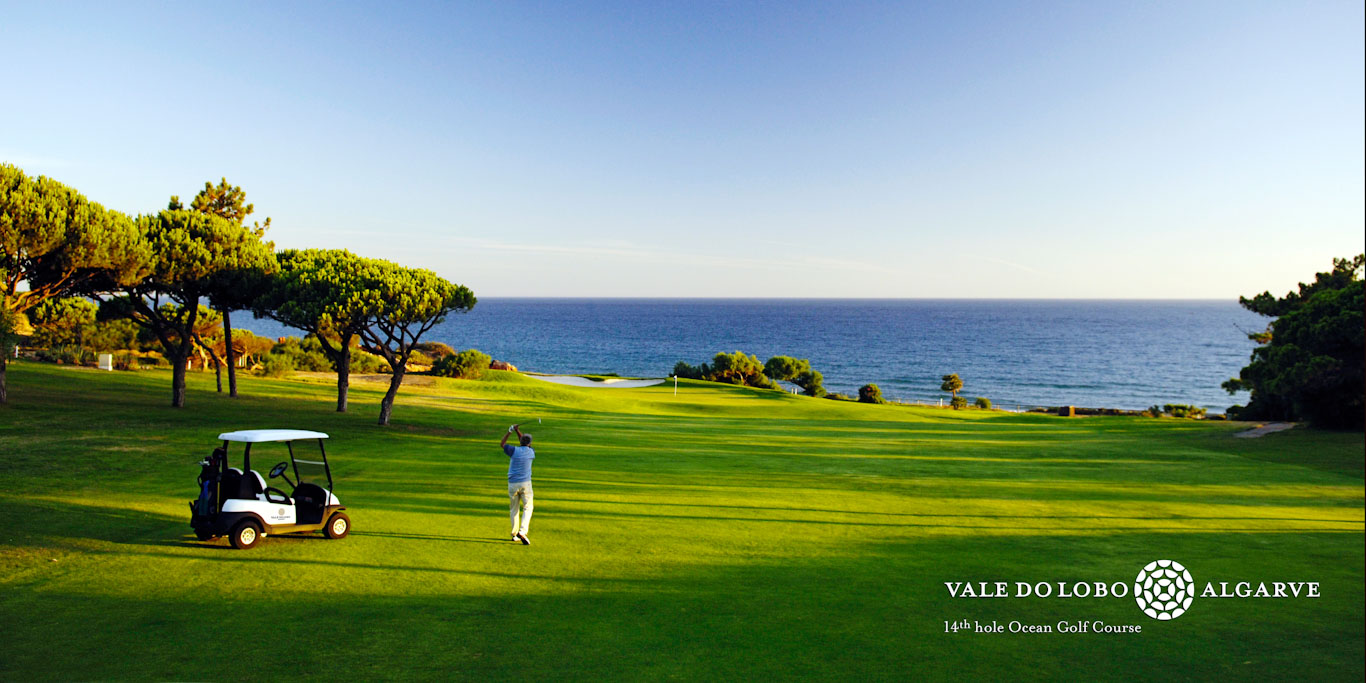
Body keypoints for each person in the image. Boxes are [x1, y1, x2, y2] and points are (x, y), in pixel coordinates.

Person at [500, 423, 535, 545]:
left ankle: (515, 535)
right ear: (530, 443)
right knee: (528, 507)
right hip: (525, 484)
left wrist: (510, 431)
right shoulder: (531, 452)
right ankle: (522, 531)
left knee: (514, 509)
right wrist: (518, 431)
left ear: (520, 441)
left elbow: (502, 444)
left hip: (512, 483)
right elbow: (524, 443)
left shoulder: (513, 450)